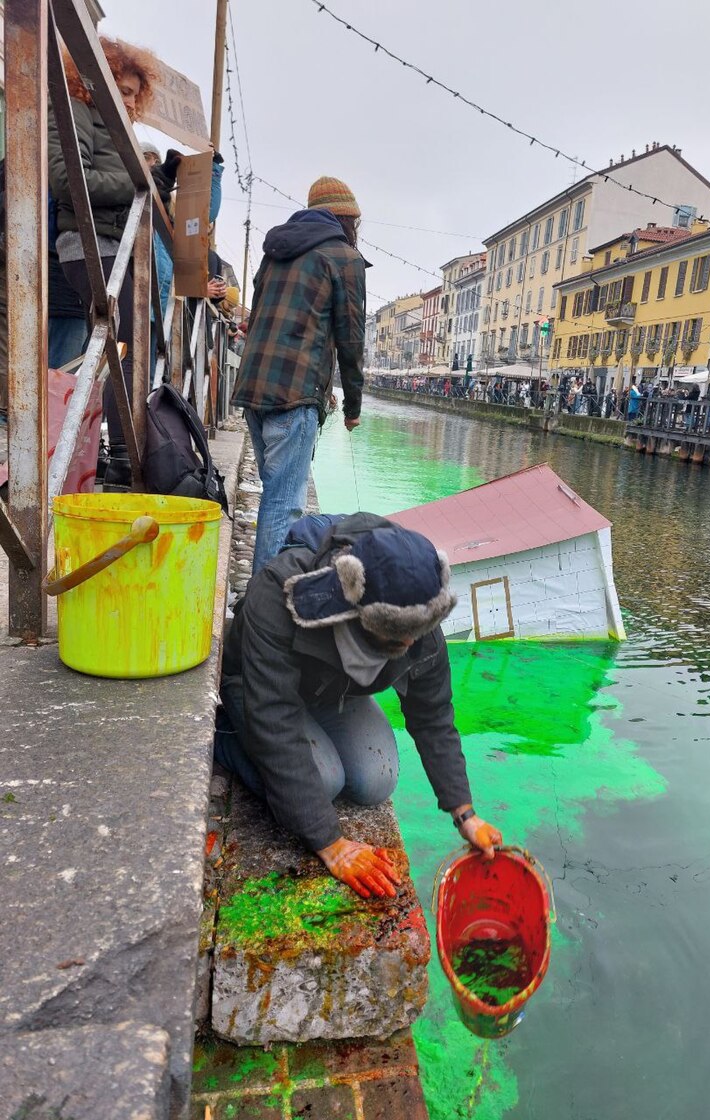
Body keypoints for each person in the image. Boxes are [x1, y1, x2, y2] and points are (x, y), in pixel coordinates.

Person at [215, 512, 503, 898]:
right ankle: (225, 736)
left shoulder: (418, 613)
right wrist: (330, 843)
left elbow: (433, 715)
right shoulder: (281, 592)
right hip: (257, 688)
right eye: (394, 638)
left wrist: (464, 814)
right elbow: (275, 721)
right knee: (324, 781)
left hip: (331, 690)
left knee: (376, 779)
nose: (407, 647)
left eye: (413, 637)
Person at [48, 37, 169, 491]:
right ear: (92, 80)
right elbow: (68, 178)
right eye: (120, 87)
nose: (129, 99)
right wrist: (141, 182)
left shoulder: (115, 130)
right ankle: (119, 455)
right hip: (88, 245)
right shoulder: (77, 112)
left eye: (135, 92)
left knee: (117, 347)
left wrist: (157, 181)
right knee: (121, 345)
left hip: (114, 247)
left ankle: (103, 450)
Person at [232, 176, 366, 573]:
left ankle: (260, 599)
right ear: (347, 219)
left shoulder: (275, 252)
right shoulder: (344, 257)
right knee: (284, 504)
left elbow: (257, 320)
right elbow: (351, 340)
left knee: (275, 496)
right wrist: (353, 408)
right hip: (294, 397)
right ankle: (262, 607)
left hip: (253, 391)